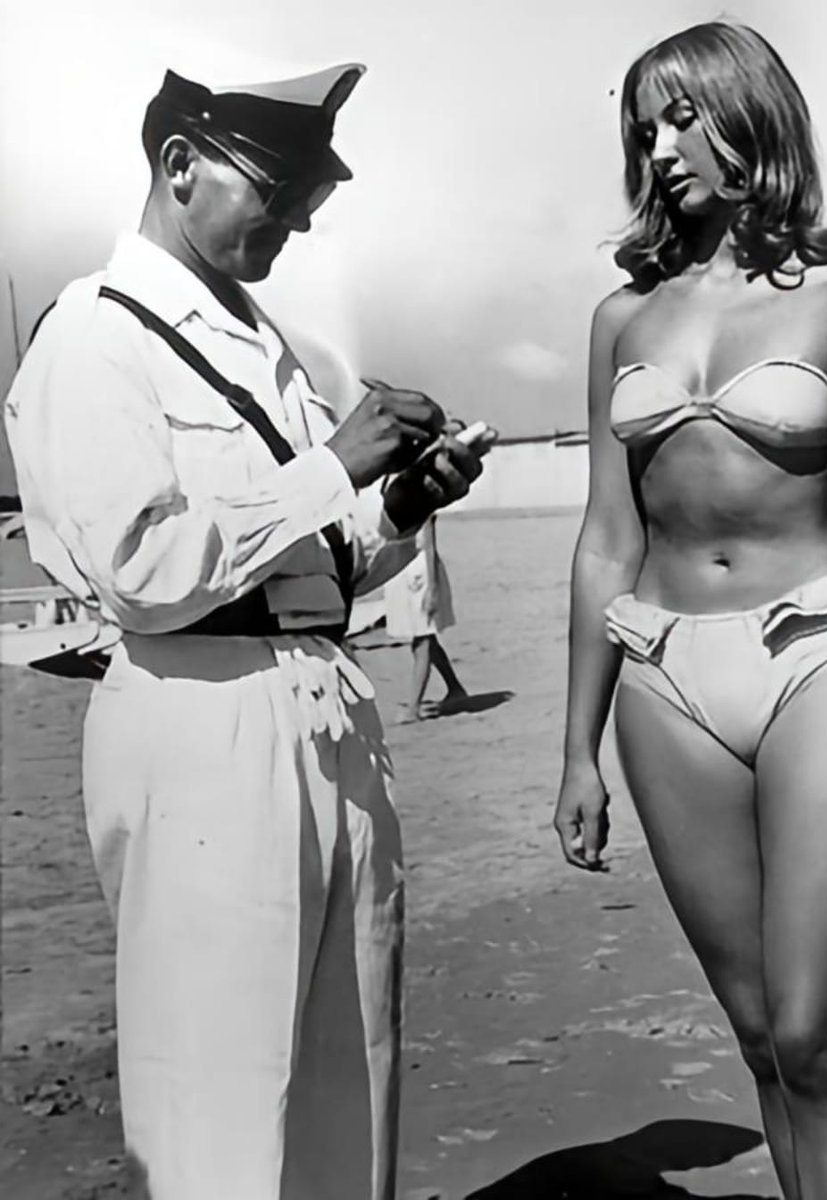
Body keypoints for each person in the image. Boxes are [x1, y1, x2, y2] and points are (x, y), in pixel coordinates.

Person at [5, 61, 492, 1200]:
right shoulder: (93, 333)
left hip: (325, 710)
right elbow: (143, 571)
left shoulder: (263, 341)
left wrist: (404, 498)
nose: (297, 223)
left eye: (308, 205)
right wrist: (333, 463)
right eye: (277, 191)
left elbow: (314, 571)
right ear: (180, 166)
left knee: (349, 1060)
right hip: (198, 721)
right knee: (218, 1087)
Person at [553, 22, 827, 1200]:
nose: (659, 146)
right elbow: (604, 538)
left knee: (819, 1036)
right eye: (643, 125)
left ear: (749, 115)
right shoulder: (622, 319)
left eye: (682, 117)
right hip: (664, 681)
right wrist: (574, 747)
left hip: (820, 664)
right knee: (764, 1041)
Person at [383, 513, 468, 723]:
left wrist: (433, 588)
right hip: (402, 571)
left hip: (421, 575)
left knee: (422, 641)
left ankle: (413, 707)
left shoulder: (423, 505)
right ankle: (455, 688)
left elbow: (429, 547)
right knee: (425, 637)